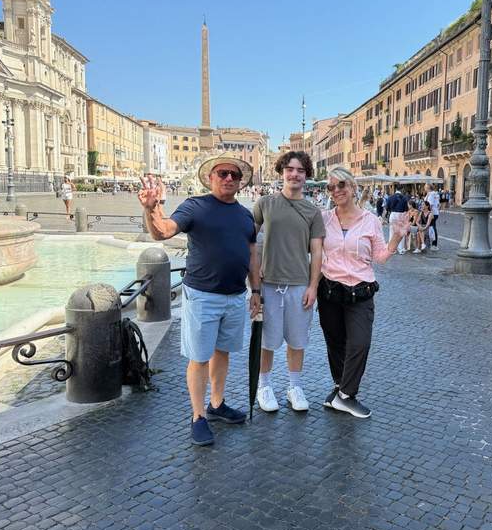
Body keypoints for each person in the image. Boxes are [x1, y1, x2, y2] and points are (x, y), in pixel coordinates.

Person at [138, 156, 261, 446]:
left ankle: (216, 405)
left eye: (234, 174)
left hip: (235, 296)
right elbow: (163, 231)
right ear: (210, 178)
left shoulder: (245, 216)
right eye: (223, 173)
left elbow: (253, 255)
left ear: (240, 181)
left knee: (223, 353)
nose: (229, 178)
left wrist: (256, 291)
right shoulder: (196, 206)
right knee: (200, 357)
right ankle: (198, 416)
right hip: (203, 296)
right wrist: (151, 208)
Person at [318, 167, 404, 418]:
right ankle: (339, 386)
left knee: (359, 343)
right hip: (330, 290)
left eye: (341, 185)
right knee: (334, 342)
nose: (336, 191)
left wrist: (396, 239)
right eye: (331, 187)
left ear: (353, 187)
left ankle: (346, 395)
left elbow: (380, 257)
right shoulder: (324, 218)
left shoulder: (371, 221)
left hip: (361, 291)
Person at [253, 151, 325, 413]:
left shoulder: (313, 211)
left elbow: (317, 251)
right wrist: (254, 280)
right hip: (269, 283)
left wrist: (313, 286)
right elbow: (250, 241)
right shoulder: (265, 204)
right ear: (281, 172)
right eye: (290, 169)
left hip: (298, 284)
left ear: (306, 175)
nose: (294, 174)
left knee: (297, 341)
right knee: (267, 341)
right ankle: (264, 386)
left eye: (300, 170)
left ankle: (294, 386)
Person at [385, 186, 409, 254]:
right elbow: (406, 209)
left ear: (396, 189)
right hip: (401, 215)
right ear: (402, 189)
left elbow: (387, 208)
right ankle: (400, 249)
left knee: (392, 232)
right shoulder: (404, 198)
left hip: (393, 214)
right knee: (401, 233)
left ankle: (392, 249)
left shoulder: (390, 197)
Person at [424, 184, 441, 250]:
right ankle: (431, 243)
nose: (424, 188)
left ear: (427, 187)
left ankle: (434, 245)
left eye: (425, 187)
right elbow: (439, 205)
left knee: (432, 228)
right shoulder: (435, 194)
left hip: (432, 213)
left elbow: (429, 205)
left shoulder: (431, 194)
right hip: (435, 212)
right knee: (432, 228)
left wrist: (428, 213)